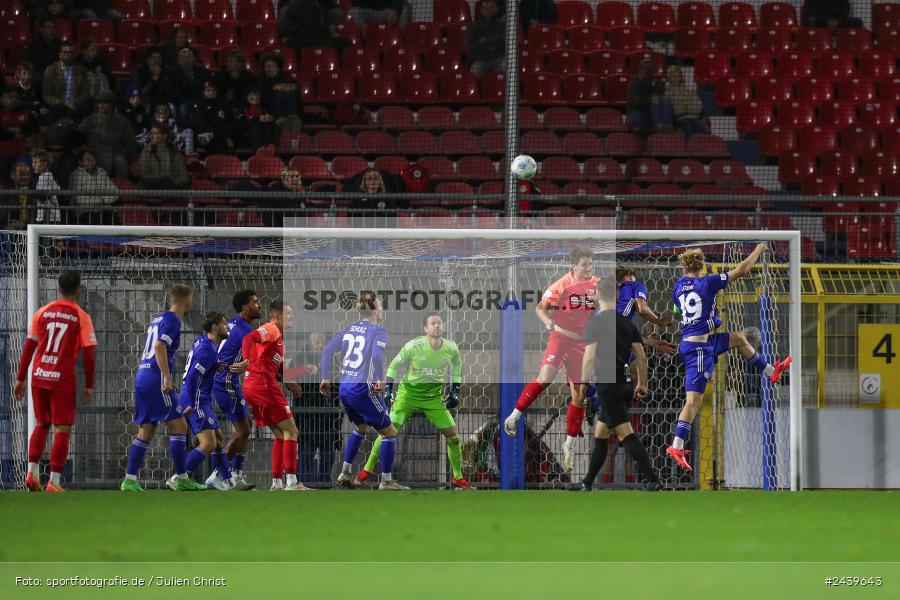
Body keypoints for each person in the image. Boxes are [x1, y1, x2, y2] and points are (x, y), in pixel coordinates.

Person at [666, 246, 792, 472]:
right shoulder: (708, 282)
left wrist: (708, 321)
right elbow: (742, 270)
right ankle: (676, 445)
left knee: (738, 339)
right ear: (702, 265)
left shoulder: (678, 286)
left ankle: (771, 371)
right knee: (693, 401)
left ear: (684, 267)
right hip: (699, 350)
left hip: (695, 342)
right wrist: (758, 250)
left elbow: (678, 312)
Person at [503, 246, 598, 471]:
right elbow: (540, 308)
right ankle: (514, 416)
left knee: (579, 394)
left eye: (590, 263)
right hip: (561, 337)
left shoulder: (597, 283)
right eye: (584, 264)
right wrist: (550, 324)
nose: (588, 267)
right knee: (545, 377)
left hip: (581, 343)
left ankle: (569, 444)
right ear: (573, 267)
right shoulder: (562, 284)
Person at [357, 314, 473, 489]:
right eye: (433, 323)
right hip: (407, 396)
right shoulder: (413, 346)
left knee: (453, 437)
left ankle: (458, 477)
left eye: (439, 323)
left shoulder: (451, 348)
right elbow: (394, 366)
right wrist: (388, 390)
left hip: (433, 398)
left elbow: (457, 365)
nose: (437, 326)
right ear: (425, 329)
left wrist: (455, 389)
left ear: (443, 327)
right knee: (387, 432)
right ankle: (365, 472)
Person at [575, 277, 662, 491]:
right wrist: (642, 383)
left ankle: (652, 480)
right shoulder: (626, 323)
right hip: (624, 384)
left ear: (597, 294)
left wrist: (583, 385)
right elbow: (641, 357)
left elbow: (588, 356)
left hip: (607, 384)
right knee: (601, 434)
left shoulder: (594, 322)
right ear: (617, 296)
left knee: (625, 433)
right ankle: (587, 483)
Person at [14, 271, 96, 492]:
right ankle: (54, 482)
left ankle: (31, 474)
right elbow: (89, 354)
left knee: (42, 424)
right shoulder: (81, 317)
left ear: (58, 289)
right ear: (78, 290)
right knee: (62, 428)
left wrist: (20, 378)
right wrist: (89, 384)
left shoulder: (42, 312)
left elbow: (29, 346)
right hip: (62, 379)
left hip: (39, 376)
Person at [121, 284, 207, 491]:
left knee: (146, 429)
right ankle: (182, 478)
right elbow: (160, 346)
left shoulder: (158, 319)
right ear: (187, 300)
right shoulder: (173, 320)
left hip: (143, 375)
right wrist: (166, 377)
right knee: (179, 426)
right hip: (155, 378)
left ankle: (130, 479)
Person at [320, 292, 407, 490]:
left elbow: (327, 350)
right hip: (363, 389)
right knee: (390, 432)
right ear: (375, 310)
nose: (383, 309)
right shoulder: (378, 331)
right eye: (381, 305)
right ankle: (386, 481)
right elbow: (376, 354)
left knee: (361, 428)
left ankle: (345, 473)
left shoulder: (349, 329)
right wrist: (379, 378)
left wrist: (325, 377)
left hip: (345, 389)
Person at [242, 300, 313, 491]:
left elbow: (279, 368)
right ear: (277, 316)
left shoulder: (279, 339)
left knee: (281, 435)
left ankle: (277, 482)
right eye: (288, 313)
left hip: (253, 386)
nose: (292, 316)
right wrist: (246, 361)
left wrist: (298, 372)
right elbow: (249, 338)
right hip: (263, 384)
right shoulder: (271, 329)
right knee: (292, 431)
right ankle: (292, 481)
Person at [178, 312, 253, 491]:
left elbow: (198, 367)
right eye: (223, 324)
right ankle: (179, 476)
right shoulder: (207, 349)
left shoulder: (204, 343)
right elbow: (192, 377)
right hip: (196, 399)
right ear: (214, 327)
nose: (227, 327)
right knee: (208, 444)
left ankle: (227, 481)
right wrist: (191, 402)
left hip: (201, 398)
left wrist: (214, 366)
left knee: (218, 440)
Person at [208, 290, 261, 490]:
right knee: (244, 429)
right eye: (256, 302)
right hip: (226, 381)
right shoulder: (246, 332)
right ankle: (219, 474)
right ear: (245, 307)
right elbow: (255, 361)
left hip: (226, 381)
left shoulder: (230, 325)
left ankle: (237, 473)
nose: (259, 305)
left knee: (247, 423)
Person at [296, 332, 338, 485]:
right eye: (316, 342)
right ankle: (305, 484)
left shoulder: (333, 362)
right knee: (306, 452)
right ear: (309, 343)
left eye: (322, 341)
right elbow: (287, 374)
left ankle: (325, 485)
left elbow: (339, 385)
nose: (319, 345)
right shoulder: (300, 358)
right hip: (306, 414)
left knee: (328, 454)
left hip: (327, 416)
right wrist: (303, 370)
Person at [78, 91, 134, 179]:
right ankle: (103, 190)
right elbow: (78, 138)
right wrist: (86, 152)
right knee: (106, 161)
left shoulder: (122, 121)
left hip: (116, 153)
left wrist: (123, 152)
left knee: (120, 161)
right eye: (99, 103)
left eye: (104, 103)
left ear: (112, 105)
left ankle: (123, 188)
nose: (101, 106)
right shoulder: (89, 120)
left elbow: (130, 142)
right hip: (95, 154)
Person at [69, 148, 118, 225]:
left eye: (93, 158)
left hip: (105, 209)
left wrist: (104, 201)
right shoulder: (75, 175)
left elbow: (114, 192)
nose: (91, 161)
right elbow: (80, 198)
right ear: (81, 162)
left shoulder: (102, 172)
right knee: (95, 219)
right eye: (88, 159)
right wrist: (100, 200)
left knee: (113, 218)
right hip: (85, 212)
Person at [41, 42, 90, 117]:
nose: (69, 55)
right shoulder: (51, 69)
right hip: (57, 108)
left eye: (72, 52)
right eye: (66, 52)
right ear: (60, 54)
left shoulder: (81, 70)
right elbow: (46, 95)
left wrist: (76, 102)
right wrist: (63, 103)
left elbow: (85, 93)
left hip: (76, 107)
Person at [279, 0, 353, 50]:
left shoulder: (318, 2)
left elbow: (323, 21)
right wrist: (329, 31)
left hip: (311, 35)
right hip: (297, 38)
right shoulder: (301, 2)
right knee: (331, 44)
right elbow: (311, 26)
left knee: (345, 42)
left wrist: (331, 31)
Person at [189, 81, 234, 156]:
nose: (211, 93)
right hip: (202, 138)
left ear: (217, 92)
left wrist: (216, 135)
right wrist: (206, 134)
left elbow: (230, 124)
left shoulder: (224, 106)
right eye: (208, 90)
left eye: (214, 90)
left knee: (221, 143)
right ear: (204, 92)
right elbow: (196, 123)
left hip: (219, 138)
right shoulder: (197, 106)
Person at [137, 125, 189, 189]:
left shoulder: (175, 153)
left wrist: (172, 182)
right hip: (152, 189)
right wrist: (161, 181)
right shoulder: (146, 152)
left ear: (164, 136)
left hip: (171, 189)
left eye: (155, 134)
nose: (151, 136)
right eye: (151, 133)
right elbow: (143, 176)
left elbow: (184, 177)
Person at [169, 47, 210, 127]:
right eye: (183, 57)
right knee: (183, 108)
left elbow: (207, 89)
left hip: (201, 101)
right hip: (182, 103)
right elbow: (176, 95)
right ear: (178, 60)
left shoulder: (203, 72)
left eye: (189, 57)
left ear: (194, 59)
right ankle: (183, 132)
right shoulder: (173, 75)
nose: (186, 60)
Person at [626, 58, 669, 134]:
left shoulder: (655, 82)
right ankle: (659, 128)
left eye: (650, 69)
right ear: (640, 70)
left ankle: (668, 126)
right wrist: (649, 100)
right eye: (645, 69)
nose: (648, 71)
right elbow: (634, 103)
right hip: (637, 111)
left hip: (654, 110)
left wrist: (656, 96)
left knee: (665, 100)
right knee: (640, 117)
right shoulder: (634, 84)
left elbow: (661, 94)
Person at [466, 0, 507, 78]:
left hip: (499, 59)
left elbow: (504, 43)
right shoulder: (473, 26)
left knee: (505, 69)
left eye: (491, 7)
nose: (488, 10)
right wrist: (493, 42)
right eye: (485, 8)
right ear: (481, 9)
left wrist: (485, 41)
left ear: (496, 8)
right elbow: (472, 47)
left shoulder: (502, 25)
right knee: (474, 73)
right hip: (480, 60)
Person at [663, 66, 706, 140]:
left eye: (677, 75)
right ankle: (688, 148)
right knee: (687, 125)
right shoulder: (667, 92)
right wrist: (686, 107)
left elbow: (699, 106)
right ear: (668, 78)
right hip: (679, 119)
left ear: (681, 77)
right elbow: (676, 110)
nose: (676, 78)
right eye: (672, 76)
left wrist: (687, 108)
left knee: (698, 127)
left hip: (694, 117)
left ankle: (698, 148)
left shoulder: (689, 91)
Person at [260, 53, 298, 119]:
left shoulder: (286, 77)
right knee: (279, 94)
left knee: (289, 94)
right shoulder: (261, 79)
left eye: (272, 66)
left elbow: (294, 87)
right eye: (266, 66)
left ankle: (291, 119)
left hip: (285, 105)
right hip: (268, 108)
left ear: (278, 68)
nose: (269, 69)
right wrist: (273, 88)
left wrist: (280, 87)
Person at [25, 18, 62, 83]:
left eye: (53, 28)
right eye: (48, 28)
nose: (52, 30)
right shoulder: (34, 47)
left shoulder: (59, 45)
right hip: (42, 79)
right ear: (41, 29)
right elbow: (30, 69)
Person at [31, 149, 63, 225]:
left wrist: (31, 195)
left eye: (35, 162)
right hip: (53, 217)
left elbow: (45, 195)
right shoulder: (49, 176)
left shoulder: (44, 177)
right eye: (33, 162)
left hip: (47, 217)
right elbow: (58, 188)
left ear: (44, 164)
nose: (33, 165)